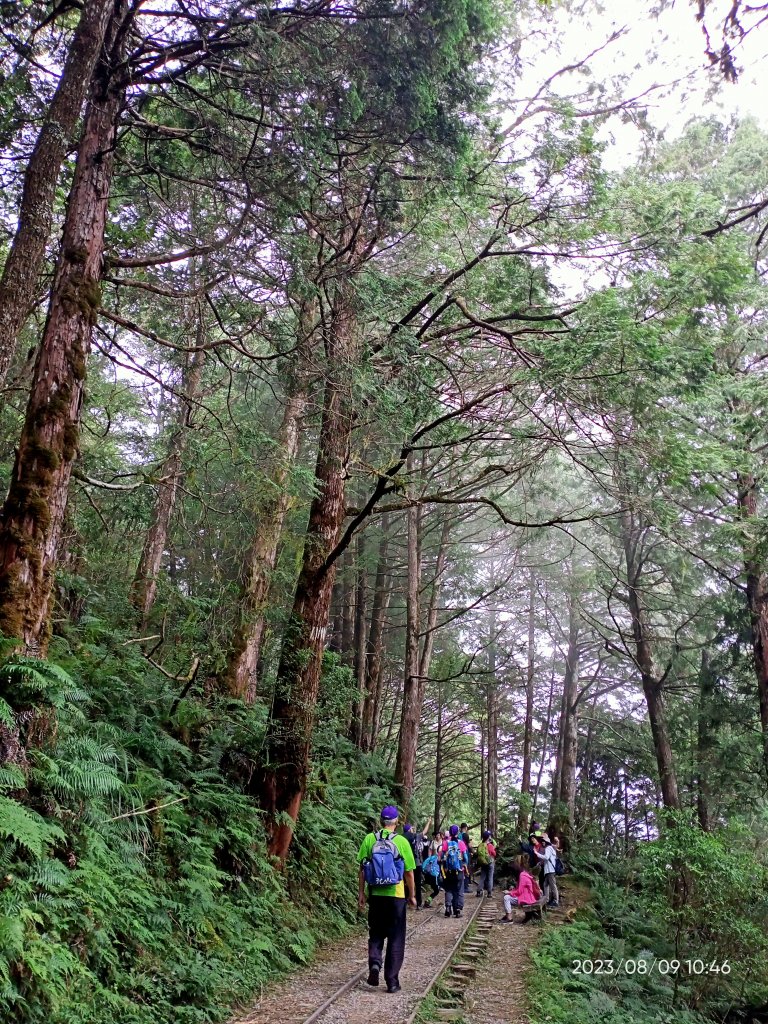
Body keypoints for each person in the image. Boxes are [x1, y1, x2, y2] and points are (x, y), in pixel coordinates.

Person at [358, 805, 416, 994]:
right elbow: (408, 873)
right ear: (396, 821)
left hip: (375, 895)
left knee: (375, 932)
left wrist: (361, 894)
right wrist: (412, 895)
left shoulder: (369, 839)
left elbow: (362, 870)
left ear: (381, 820)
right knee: (396, 938)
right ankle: (391, 981)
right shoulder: (401, 842)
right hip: (396, 897)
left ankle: (375, 963)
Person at [439, 823, 469, 918]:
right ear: (457, 832)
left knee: (448, 889)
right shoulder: (461, 843)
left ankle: (448, 908)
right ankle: (457, 910)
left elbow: (441, 857)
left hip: (448, 871)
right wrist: (464, 865)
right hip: (459, 870)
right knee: (458, 890)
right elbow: (465, 858)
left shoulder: (445, 843)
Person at [534, 833, 560, 907]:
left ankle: (555, 901)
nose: (542, 842)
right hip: (548, 870)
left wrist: (537, 853)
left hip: (550, 870)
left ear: (547, 842)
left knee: (552, 885)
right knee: (545, 885)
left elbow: (546, 857)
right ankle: (547, 899)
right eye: (542, 841)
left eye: (544, 841)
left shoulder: (548, 848)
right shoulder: (551, 848)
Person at [403, 823, 425, 910]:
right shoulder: (415, 836)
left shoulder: (401, 837)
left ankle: (405, 902)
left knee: (405, 883)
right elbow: (424, 832)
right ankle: (418, 904)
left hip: (404, 864)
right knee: (418, 884)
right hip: (416, 863)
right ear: (409, 829)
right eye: (411, 828)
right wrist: (428, 822)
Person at [475, 829, 497, 898]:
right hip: (490, 863)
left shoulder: (481, 845)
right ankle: (489, 893)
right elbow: (494, 853)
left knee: (482, 877)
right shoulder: (490, 845)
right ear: (488, 837)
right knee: (490, 877)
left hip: (483, 863)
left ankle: (478, 891)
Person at [460, 823, 472, 891]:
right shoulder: (465, 835)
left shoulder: (458, 835)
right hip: (465, 853)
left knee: (461, 869)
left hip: (459, 854)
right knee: (466, 869)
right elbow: (469, 846)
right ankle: (466, 887)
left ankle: (461, 885)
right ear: (465, 827)